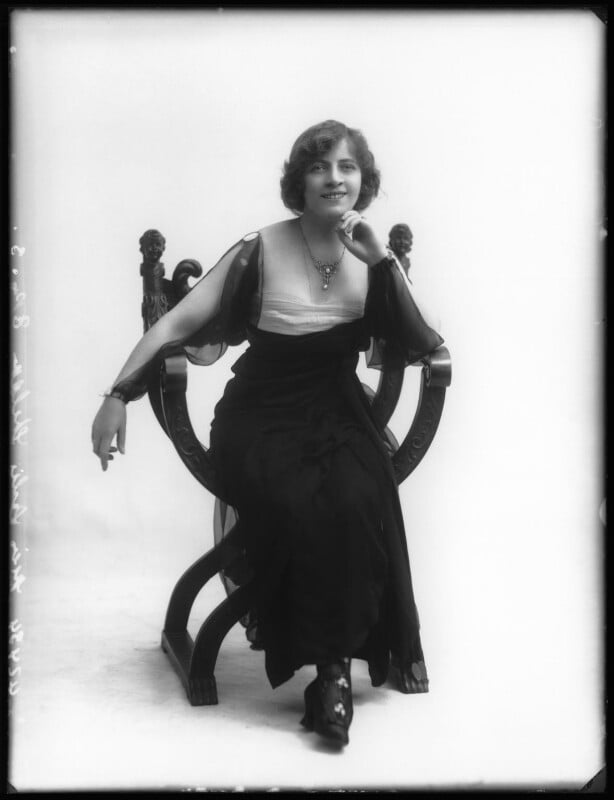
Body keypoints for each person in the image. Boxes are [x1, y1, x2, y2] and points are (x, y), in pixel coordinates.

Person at [91, 120, 444, 747]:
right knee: (293, 497)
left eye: (347, 167)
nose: (334, 179)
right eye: (319, 167)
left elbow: (423, 341)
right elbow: (176, 323)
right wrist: (117, 395)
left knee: (357, 496)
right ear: (299, 182)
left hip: (338, 408)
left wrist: (382, 260)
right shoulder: (259, 248)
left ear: (363, 180)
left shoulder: (371, 256)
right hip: (260, 411)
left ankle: (331, 674)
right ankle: (326, 669)